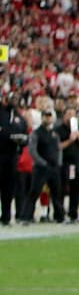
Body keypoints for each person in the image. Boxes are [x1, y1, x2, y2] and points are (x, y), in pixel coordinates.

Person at [0, 90, 30, 225]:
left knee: (8, 188)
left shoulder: (21, 119)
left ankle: (6, 216)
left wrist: (22, 140)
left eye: (17, 98)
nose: (15, 100)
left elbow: (26, 137)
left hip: (12, 156)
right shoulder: (1, 113)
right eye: (13, 98)